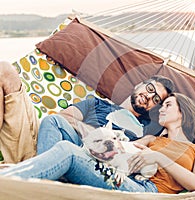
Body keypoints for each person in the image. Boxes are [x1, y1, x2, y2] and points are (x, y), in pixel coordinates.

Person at [0, 93, 195, 194]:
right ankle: (29, 178)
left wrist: (158, 157)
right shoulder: (152, 139)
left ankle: (19, 178)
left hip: (148, 191)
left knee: (68, 151)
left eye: (167, 105)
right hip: (121, 177)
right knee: (67, 144)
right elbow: (120, 154)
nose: (162, 109)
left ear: (183, 113)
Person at [0, 60, 175, 163]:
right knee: (4, 70)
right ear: (139, 85)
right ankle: (37, 168)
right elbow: (62, 118)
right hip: (35, 145)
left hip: (79, 160)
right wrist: (96, 133)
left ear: (155, 108)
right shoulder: (97, 104)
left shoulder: (144, 130)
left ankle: (39, 173)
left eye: (156, 99)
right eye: (150, 88)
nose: (149, 96)